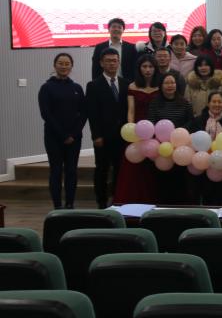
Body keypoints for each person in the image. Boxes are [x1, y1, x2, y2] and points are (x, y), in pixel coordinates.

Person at [38, 53, 86, 209]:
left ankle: (70, 204)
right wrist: (64, 135)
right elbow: (46, 114)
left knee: (72, 171)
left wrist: (73, 134)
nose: (64, 66)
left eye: (67, 64)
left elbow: (83, 113)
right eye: (60, 63)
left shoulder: (77, 88)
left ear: (71, 66)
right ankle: (57, 206)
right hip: (54, 137)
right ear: (55, 65)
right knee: (56, 171)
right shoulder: (46, 88)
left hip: (74, 138)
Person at [113, 55, 160, 205]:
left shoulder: (160, 86)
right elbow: (131, 111)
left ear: (155, 69)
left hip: (156, 131)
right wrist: (132, 130)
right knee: (134, 168)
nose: (147, 70)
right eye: (144, 67)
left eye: (150, 67)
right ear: (139, 69)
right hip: (137, 132)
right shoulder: (132, 86)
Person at [86, 48, 128, 209]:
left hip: (122, 136)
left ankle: (117, 200)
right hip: (103, 137)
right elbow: (92, 113)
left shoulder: (126, 83)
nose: (112, 64)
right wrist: (96, 135)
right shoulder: (93, 85)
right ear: (101, 63)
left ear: (119, 62)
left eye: (114, 60)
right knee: (102, 170)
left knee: (120, 170)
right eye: (108, 61)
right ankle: (101, 202)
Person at [147, 73, 194, 205]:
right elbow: (151, 122)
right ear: (161, 85)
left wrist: (177, 134)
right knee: (163, 181)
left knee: (181, 180)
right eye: (166, 83)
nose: (170, 85)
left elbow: (191, 122)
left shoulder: (185, 103)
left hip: (181, 148)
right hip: (162, 149)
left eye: (172, 82)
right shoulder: (154, 103)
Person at [188, 91, 222, 205]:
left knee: (221, 196)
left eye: (220, 102)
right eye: (214, 102)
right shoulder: (199, 120)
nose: (217, 104)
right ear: (208, 104)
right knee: (206, 195)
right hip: (203, 163)